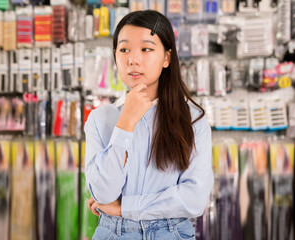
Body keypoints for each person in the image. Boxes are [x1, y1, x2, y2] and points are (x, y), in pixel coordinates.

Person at [85, 10, 213, 240]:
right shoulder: (100, 119)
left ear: (166, 58)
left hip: (172, 234)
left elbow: (194, 198)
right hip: (114, 233)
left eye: (146, 49)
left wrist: (125, 208)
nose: (133, 59)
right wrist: (125, 123)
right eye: (124, 49)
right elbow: (104, 193)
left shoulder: (193, 119)